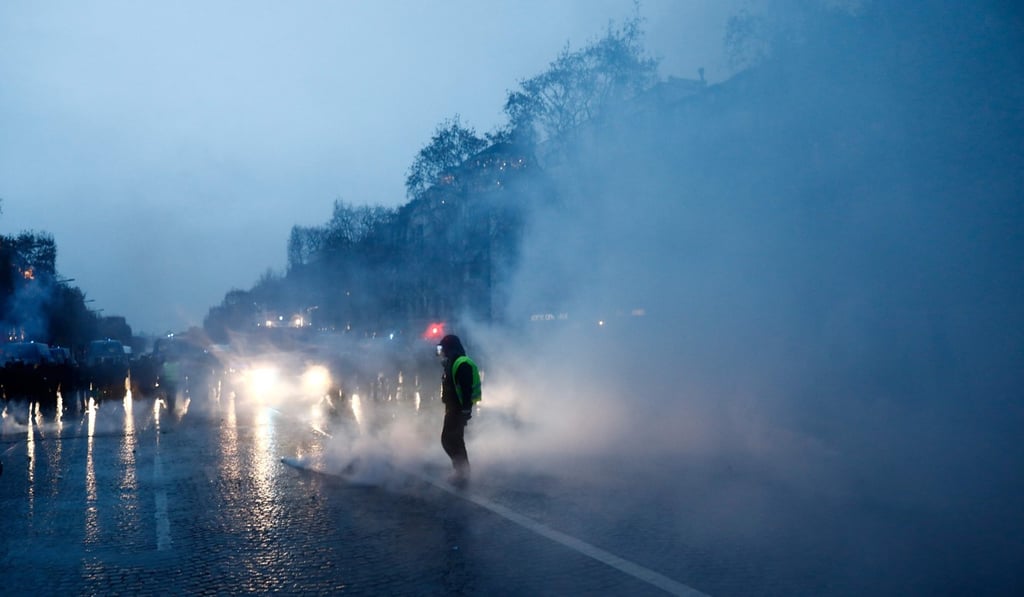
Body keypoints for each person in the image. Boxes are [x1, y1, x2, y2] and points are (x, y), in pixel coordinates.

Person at [437, 334, 481, 484]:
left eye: (443, 348)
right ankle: (461, 471)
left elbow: (466, 389)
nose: (441, 352)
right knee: (453, 439)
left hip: (458, 408)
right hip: (453, 407)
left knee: (450, 439)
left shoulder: (462, 363)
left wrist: (466, 410)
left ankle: (462, 471)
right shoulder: (453, 362)